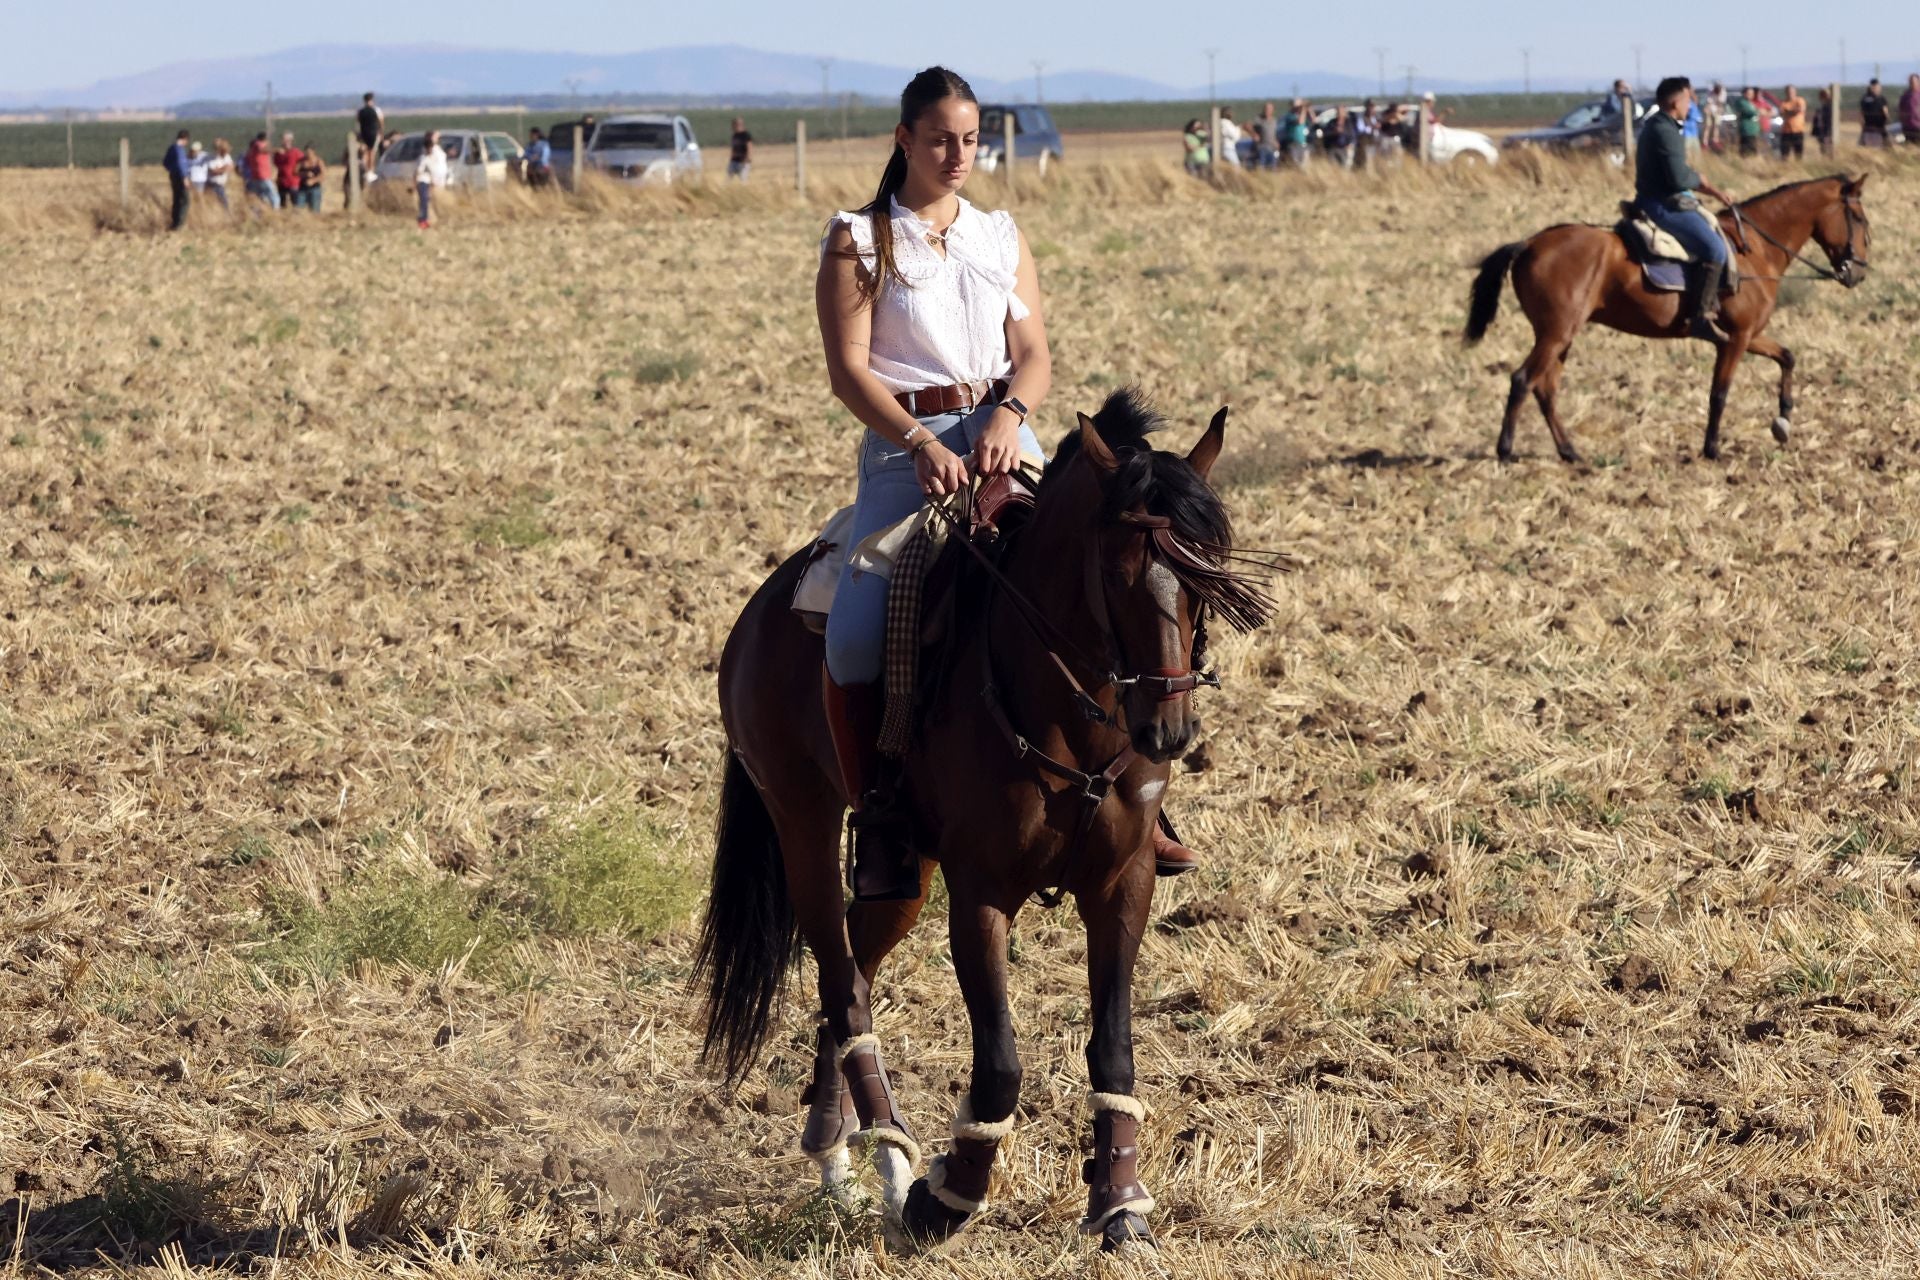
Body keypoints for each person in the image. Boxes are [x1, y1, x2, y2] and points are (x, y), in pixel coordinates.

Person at [816, 66, 1061, 898]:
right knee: (852, 636)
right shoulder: (859, 239)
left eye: (970, 138)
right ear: (904, 141)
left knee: (1102, 574)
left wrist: (1010, 413)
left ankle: (1137, 797)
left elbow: (1034, 354)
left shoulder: (1000, 235)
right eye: (940, 140)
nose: (959, 154)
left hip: (1005, 435)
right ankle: (880, 814)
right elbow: (850, 372)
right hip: (903, 452)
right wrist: (919, 439)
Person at [1635, 76, 1738, 341]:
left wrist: (1708, 188)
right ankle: (1701, 316)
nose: (1692, 104)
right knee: (1715, 248)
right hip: (1661, 205)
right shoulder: (1666, 130)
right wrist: (1700, 181)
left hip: (1656, 198)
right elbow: (1679, 179)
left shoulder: (1659, 125)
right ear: (1674, 101)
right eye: (1688, 98)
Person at [414, 129, 448, 229]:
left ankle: (429, 220)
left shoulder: (437, 151)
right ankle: (423, 220)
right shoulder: (424, 157)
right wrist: (415, 184)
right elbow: (418, 171)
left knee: (431, 201)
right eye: (435, 137)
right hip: (425, 181)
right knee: (425, 201)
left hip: (435, 180)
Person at [162, 129, 191, 231]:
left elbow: (165, 162)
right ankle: (179, 224)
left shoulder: (172, 148)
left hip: (173, 176)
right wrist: (184, 177)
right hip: (180, 177)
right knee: (185, 200)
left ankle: (174, 223)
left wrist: (172, 169)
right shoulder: (180, 150)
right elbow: (181, 164)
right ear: (185, 139)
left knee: (176, 199)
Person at [243, 133, 278, 209]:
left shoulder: (252, 149)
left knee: (260, 197)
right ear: (265, 139)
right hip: (262, 176)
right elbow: (262, 149)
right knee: (274, 196)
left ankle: (258, 214)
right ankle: (275, 212)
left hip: (255, 177)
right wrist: (276, 150)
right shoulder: (258, 144)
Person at [273, 133, 303, 210]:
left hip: (293, 181)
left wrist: (297, 168)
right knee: (282, 203)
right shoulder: (278, 153)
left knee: (295, 203)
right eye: (283, 140)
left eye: (287, 140)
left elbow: (303, 161)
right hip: (282, 181)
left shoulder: (296, 152)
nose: (285, 142)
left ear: (291, 141)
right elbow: (275, 164)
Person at [356, 91, 384, 176]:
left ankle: (364, 170)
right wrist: (381, 132)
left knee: (365, 152)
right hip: (373, 134)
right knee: (372, 152)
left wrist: (358, 134)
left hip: (363, 134)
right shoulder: (376, 110)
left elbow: (358, 123)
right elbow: (381, 122)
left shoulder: (360, 111)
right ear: (372, 100)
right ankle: (370, 171)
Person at [1775, 85, 1806, 160]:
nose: (1790, 93)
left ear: (1795, 92)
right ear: (1786, 93)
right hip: (1786, 131)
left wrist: (1788, 112)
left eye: (1792, 92)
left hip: (1798, 130)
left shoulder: (1800, 100)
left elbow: (1800, 110)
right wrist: (1792, 111)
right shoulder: (1784, 103)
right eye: (1788, 92)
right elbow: (1781, 113)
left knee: (1798, 153)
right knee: (1784, 152)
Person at [1859, 78, 1891, 147]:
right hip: (1873, 127)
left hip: (1875, 126)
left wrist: (1887, 120)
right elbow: (1885, 112)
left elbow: (1885, 111)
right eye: (1876, 87)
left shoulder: (1866, 98)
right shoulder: (1877, 98)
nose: (1877, 88)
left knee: (1868, 144)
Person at [205, 138, 233, 211]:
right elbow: (212, 171)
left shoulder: (227, 156)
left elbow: (230, 167)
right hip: (212, 184)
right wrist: (223, 169)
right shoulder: (211, 157)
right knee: (220, 202)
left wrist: (220, 169)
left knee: (223, 202)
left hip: (220, 184)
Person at [1732, 88, 1761, 157]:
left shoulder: (1750, 103)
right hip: (1746, 129)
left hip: (1753, 130)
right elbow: (1751, 112)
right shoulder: (1742, 102)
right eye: (1749, 93)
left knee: (1753, 148)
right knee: (1746, 148)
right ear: (1744, 93)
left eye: (1752, 94)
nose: (1751, 95)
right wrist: (1758, 111)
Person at [1284, 99, 1312, 166]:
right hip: (1293, 144)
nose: (1299, 108)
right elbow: (1300, 121)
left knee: (1305, 165)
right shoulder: (1289, 116)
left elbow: (1313, 120)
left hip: (1303, 144)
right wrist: (1304, 108)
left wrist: (1309, 108)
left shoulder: (1302, 115)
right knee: (1296, 165)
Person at [297, 145, 325, 211]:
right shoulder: (301, 161)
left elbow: (323, 174)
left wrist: (313, 180)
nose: (308, 154)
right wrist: (304, 174)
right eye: (306, 152)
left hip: (315, 188)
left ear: (313, 151)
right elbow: (295, 172)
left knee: (315, 209)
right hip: (302, 188)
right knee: (299, 208)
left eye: (309, 152)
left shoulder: (318, 161)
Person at [1254, 101, 1280, 169]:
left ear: (1273, 110)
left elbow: (1274, 133)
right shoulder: (1259, 119)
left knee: (1273, 166)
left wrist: (1276, 141)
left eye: (1269, 109)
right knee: (1261, 166)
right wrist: (1254, 134)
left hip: (1272, 148)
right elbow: (1249, 126)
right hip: (1262, 146)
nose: (1267, 110)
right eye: (1266, 109)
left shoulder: (1274, 121)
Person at [1703, 81, 1727, 152]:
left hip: (1717, 109)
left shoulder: (1723, 93)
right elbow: (1708, 103)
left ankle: (1715, 140)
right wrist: (1708, 110)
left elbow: (1720, 104)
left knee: (1716, 125)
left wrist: (1718, 111)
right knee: (1707, 126)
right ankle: (1705, 142)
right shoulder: (1710, 91)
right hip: (1710, 108)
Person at [1901, 74, 1920, 146]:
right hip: (1908, 127)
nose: (1913, 84)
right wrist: (1903, 123)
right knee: (1910, 147)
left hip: (1918, 126)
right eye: (1911, 82)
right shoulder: (1906, 95)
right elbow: (1901, 110)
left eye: (1914, 82)